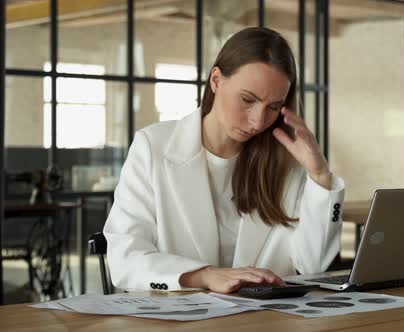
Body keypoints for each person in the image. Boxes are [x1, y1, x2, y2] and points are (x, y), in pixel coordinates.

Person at [103, 27, 345, 294]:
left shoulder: (286, 161)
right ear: (216, 80)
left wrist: (320, 176)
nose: (258, 121)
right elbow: (125, 260)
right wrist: (205, 276)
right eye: (247, 100)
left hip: (266, 320)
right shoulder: (153, 147)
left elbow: (313, 265)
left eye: (273, 107)